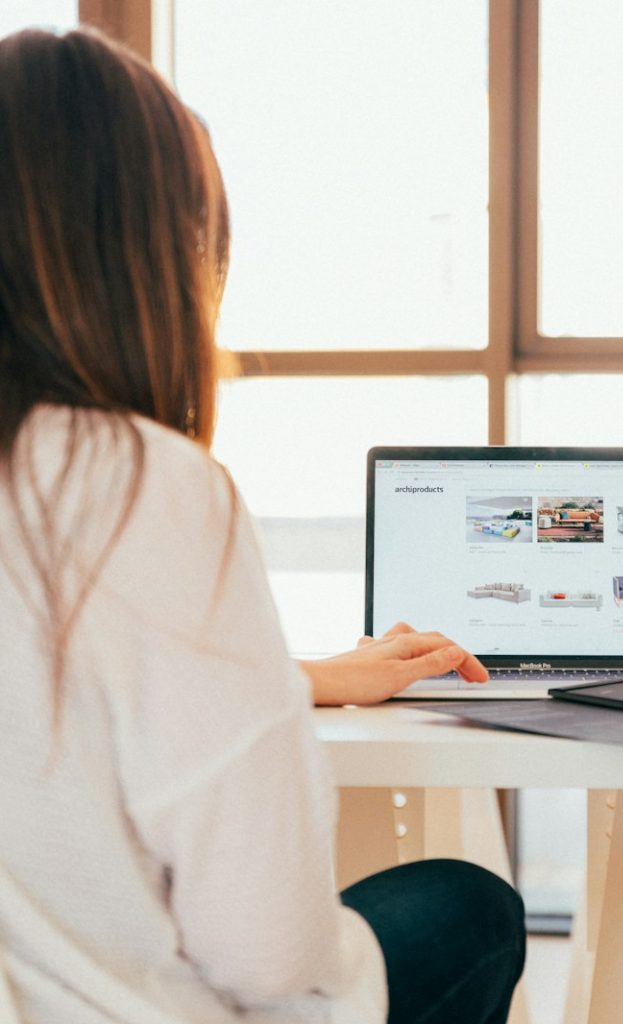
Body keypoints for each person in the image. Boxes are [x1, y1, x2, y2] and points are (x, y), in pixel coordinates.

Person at [0, 26, 524, 1024]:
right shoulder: (138, 486)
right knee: (472, 908)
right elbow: (268, 952)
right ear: (150, 254)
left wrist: (295, 681)